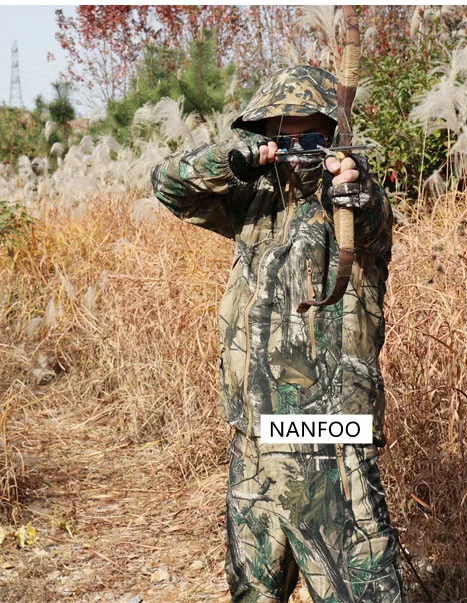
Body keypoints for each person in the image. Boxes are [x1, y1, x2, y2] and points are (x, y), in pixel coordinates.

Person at [152, 65, 406, 602]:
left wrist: (354, 189)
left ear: (334, 136)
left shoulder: (349, 202)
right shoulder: (254, 201)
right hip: (255, 439)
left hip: (333, 446)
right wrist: (237, 160)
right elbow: (168, 184)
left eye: (310, 138)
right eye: (279, 139)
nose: (295, 151)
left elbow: (374, 219)